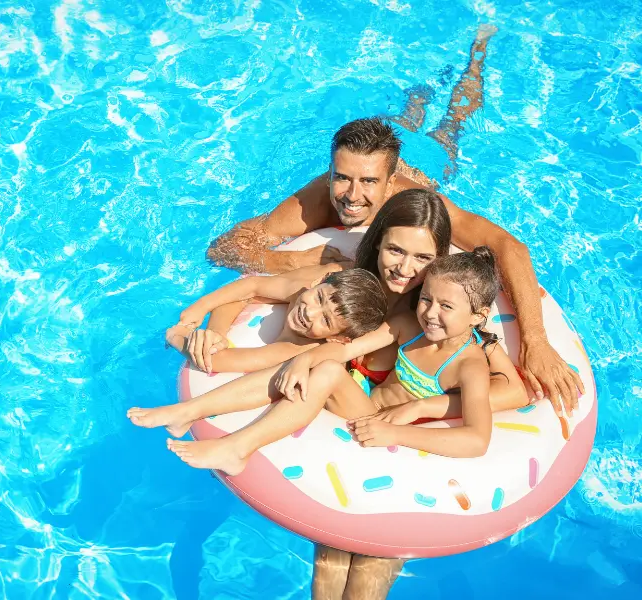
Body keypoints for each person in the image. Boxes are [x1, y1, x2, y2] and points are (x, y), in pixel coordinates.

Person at [183, 190, 527, 600]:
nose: (405, 269)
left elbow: (511, 392)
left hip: (402, 441)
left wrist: (427, 405)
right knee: (332, 555)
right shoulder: (342, 288)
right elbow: (254, 290)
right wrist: (213, 334)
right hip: (350, 419)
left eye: (422, 259)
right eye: (395, 250)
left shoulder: (451, 325)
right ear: (377, 240)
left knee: (369, 561)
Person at [205, 119, 582, 421]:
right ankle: (411, 110)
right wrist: (290, 260)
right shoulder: (319, 199)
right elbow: (223, 247)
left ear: (389, 184)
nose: (351, 197)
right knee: (406, 118)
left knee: (447, 133)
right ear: (330, 171)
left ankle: (470, 72)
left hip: (424, 178)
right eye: (342, 178)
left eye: (368, 181)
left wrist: (535, 340)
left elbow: (509, 247)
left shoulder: (417, 203)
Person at [158, 245, 503, 475]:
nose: (430, 313)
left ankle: (236, 446)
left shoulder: (469, 365)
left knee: (325, 371)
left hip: (382, 427)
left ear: (478, 317)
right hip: (363, 404)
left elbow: (477, 440)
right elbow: (342, 350)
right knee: (323, 366)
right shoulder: (407, 325)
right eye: (426, 299)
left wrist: (395, 432)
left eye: (446, 307)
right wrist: (302, 360)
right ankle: (193, 412)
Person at [162, 267, 387, 374]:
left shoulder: (296, 350)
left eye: (325, 321)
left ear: (337, 339)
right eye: (318, 298)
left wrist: (176, 336)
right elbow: (252, 286)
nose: (309, 313)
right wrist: (205, 314)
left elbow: (216, 362)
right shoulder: (303, 291)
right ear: (319, 281)